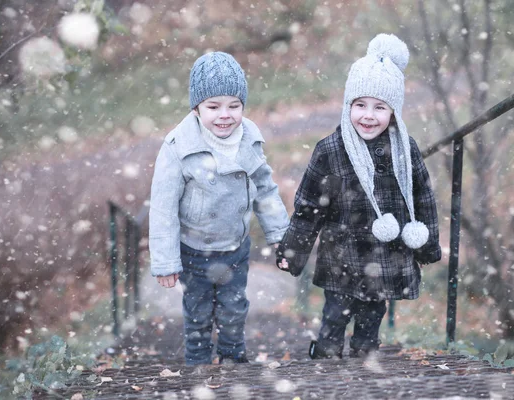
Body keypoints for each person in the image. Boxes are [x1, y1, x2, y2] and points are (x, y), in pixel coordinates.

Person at [276, 34, 441, 359]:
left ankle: (366, 354)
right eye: (360, 104)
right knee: (336, 311)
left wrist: (427, 245)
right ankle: (326, 352)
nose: (368, 115)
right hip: (343, 254)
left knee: (372, 312)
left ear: (394, 112)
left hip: (385, 254)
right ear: (347, 105)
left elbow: (423, 200)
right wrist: (293, 252)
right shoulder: (330, 151)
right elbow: (309, 208)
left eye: (380, 107)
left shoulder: (404, 150)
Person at [149, 51, 289, 365]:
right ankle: (197, 360)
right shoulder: (178, 147)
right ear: (196, 108)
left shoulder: (249, 139)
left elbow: (265, 190)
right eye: (213, 106)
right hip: (194, 249)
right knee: (198, 310)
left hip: (235, 248)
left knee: (234, 308)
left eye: (234, 106)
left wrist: (281, 235)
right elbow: (162, 208)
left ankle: (232, 356)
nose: (224, 115)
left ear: (243, 106)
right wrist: (165, 260)